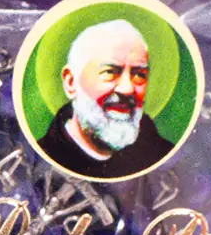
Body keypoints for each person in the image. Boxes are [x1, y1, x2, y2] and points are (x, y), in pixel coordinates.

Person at [38, 19, 173, 179]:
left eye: (138, 74)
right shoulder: (39, 163)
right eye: (110, 72)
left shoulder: (163, 157)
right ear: (71, 82)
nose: (127, 89)